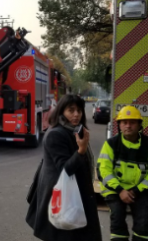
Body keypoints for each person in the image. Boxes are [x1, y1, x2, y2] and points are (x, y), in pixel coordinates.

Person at [26, 94, 102, 241]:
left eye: (79, 111)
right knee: (66, 234)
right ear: (61, 112)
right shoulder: (56, 134)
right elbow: (64, 169)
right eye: (71, 110)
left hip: (75, 193)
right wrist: (81, 150)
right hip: (62, 196)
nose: (76, 114)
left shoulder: (75, 130)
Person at [97, 105, 148, 241]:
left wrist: (136, 190)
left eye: (132, 122)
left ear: (139, 125)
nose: (128, 126)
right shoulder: (111, 144)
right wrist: (120, 190)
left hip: (140, 189)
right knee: (117, 217)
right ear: (119, 125)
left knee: (144, 221)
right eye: (124, 122)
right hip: (115, 189)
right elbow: (103, 171)